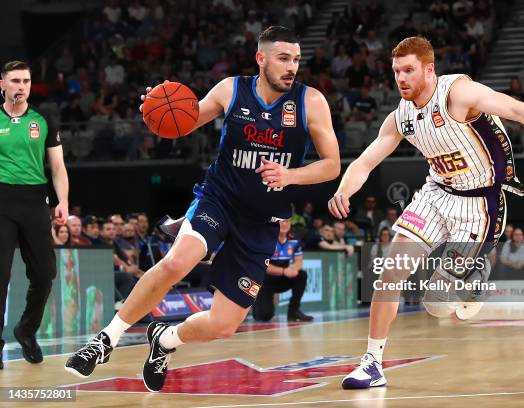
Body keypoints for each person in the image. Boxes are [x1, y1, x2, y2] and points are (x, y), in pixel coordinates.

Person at [65, 26, 340, 392]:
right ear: (261, 58)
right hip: (218, 199)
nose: (292, 67)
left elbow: (332, 164)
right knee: (177, 262)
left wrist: (289, 175)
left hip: (260, 222)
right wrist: (156, 109)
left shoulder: (311, 102)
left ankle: (164, 340)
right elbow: (182, 122)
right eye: (283, 59)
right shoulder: (231, 90)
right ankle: (104, 341)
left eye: (296, 60)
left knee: (224, 326)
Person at [327, 36, 524, 389]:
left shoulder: (458, 94)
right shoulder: (402, 115)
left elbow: (515, 109)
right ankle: (372, 363)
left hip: (480, 204)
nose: (401, 78)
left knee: (437, 305)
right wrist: (343, 190)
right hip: (436, 193)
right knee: (390, 271)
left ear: (429, 69)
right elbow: (365, 161)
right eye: (396, 71)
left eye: (409, 70)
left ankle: (474, 280)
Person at [0, 61, 69, 369]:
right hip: (1, 200)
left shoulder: (43, 119)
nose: (21, 86)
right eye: (15, 80)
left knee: (44, 274)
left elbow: (57, 166)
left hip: (34, 201)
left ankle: (26, 330)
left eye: (26, 81)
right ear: (2, 84)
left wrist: (63, 201)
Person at [252, 219, 313, 322]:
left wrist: (294, 268)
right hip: (265, 281)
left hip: (282, 280)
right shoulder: (267, 239)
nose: (285, 224)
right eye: (282, 221)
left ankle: (294, 311)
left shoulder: (294, 240)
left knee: (301, 275)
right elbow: (262, 265)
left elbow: (299, 261)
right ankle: (257, 305)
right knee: (264, 316)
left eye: (287, 221)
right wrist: (284, 271)